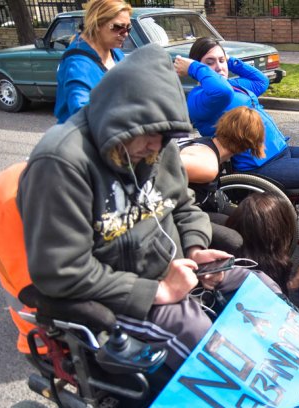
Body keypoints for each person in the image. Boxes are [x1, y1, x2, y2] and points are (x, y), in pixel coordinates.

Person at [17, 44, 282, 371]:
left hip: (179, 270)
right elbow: (60, 270)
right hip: (123, 293)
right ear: (122, 118)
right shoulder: (60, 164)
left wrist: (196, 248)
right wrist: (156, 291)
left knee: (261, 289)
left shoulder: (156, 142)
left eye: (165, 136)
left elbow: (183, 205)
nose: (157, 147)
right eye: (151, 136)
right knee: (212, 348)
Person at [173, 38, 299, 218]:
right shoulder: (200, 98)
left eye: (221, 60)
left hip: (280, 151)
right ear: (197, 67)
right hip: (259, 166)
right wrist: (193, 68)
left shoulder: (232, 85)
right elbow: (222, 91)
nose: (219, 66)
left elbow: (261, 81)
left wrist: (231, 61)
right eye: (209, 63)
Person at [225, 192, 299, 331]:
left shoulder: (229, 261)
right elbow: (271, 330)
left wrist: (292, 284)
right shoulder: (258, 282)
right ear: (277, 237)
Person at [179, 106, 269, 255]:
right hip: (176, 216)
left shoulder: (209, 145)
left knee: (253, 222)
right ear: (251, 142)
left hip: (199, 207)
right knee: (235, 240)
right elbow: (162, 166)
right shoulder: (207, 165)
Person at [54, 0, 131, 124]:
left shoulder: (114, 51)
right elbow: (82, 112)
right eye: (118, 27)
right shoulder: (78, 63)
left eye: (128, 28)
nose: (125, 34)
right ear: (97, 24)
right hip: (84, 134)